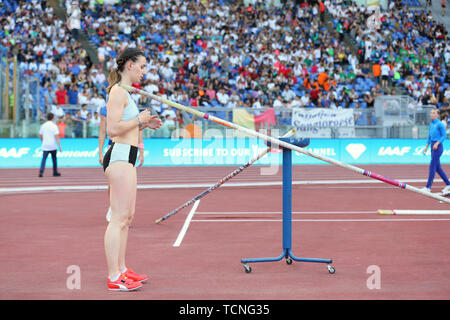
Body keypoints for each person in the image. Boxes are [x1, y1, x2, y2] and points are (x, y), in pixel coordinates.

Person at [103, 48, 162, 291]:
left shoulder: (127, 93)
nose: (144, 72)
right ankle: (113, 276)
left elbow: (127, 128)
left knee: (127, 218)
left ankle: (122, 268)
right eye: (142, 67)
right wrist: (139, 120)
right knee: (118, 218)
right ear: (130, 66)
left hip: (129, 157)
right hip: (118, 157)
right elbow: (113, 130)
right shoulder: (117, 92)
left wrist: (144, 125)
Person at [422, 108, 450, 195]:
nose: (431, 114)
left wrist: (437, 143)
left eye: (433, 113)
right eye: (431, 113)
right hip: (432, 147)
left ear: (437, 115)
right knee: (437, 168)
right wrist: (426, 147)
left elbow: (444, 136)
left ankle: (428, 187)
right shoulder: (431, 125)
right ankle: (448, 184)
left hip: (437, 148)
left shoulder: (440, 124)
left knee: (432, 167)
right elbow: (429, 137)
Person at [38, 112, 62, 177]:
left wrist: (43, 141)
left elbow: (40, 135)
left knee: (44, 159)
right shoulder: (54, 126)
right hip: (53, 145)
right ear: (53, 118)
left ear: (47, 118)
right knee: (54, 159)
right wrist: (59, 145)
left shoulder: (43, 125)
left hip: (45, 145)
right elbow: (57, 136)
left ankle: (41, 171)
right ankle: (55, 172)